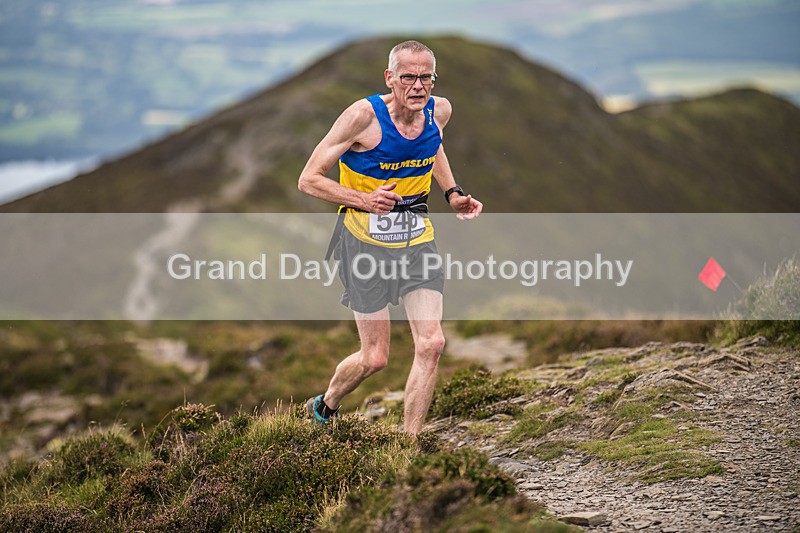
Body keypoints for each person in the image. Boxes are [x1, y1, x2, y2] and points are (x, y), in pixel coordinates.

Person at [297, 39, 482, 434]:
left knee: (432, 343)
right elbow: (308, 179)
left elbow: (432, 147)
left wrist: (452, 193)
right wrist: (364, 200)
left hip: (416, 240)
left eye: (426, 78)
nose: (418, 86)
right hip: (362, 244)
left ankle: (407, 447)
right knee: (374, 358)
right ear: (389, 78)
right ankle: (325, 405)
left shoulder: (439, 111)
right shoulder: (362, 118)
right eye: (408, 77)